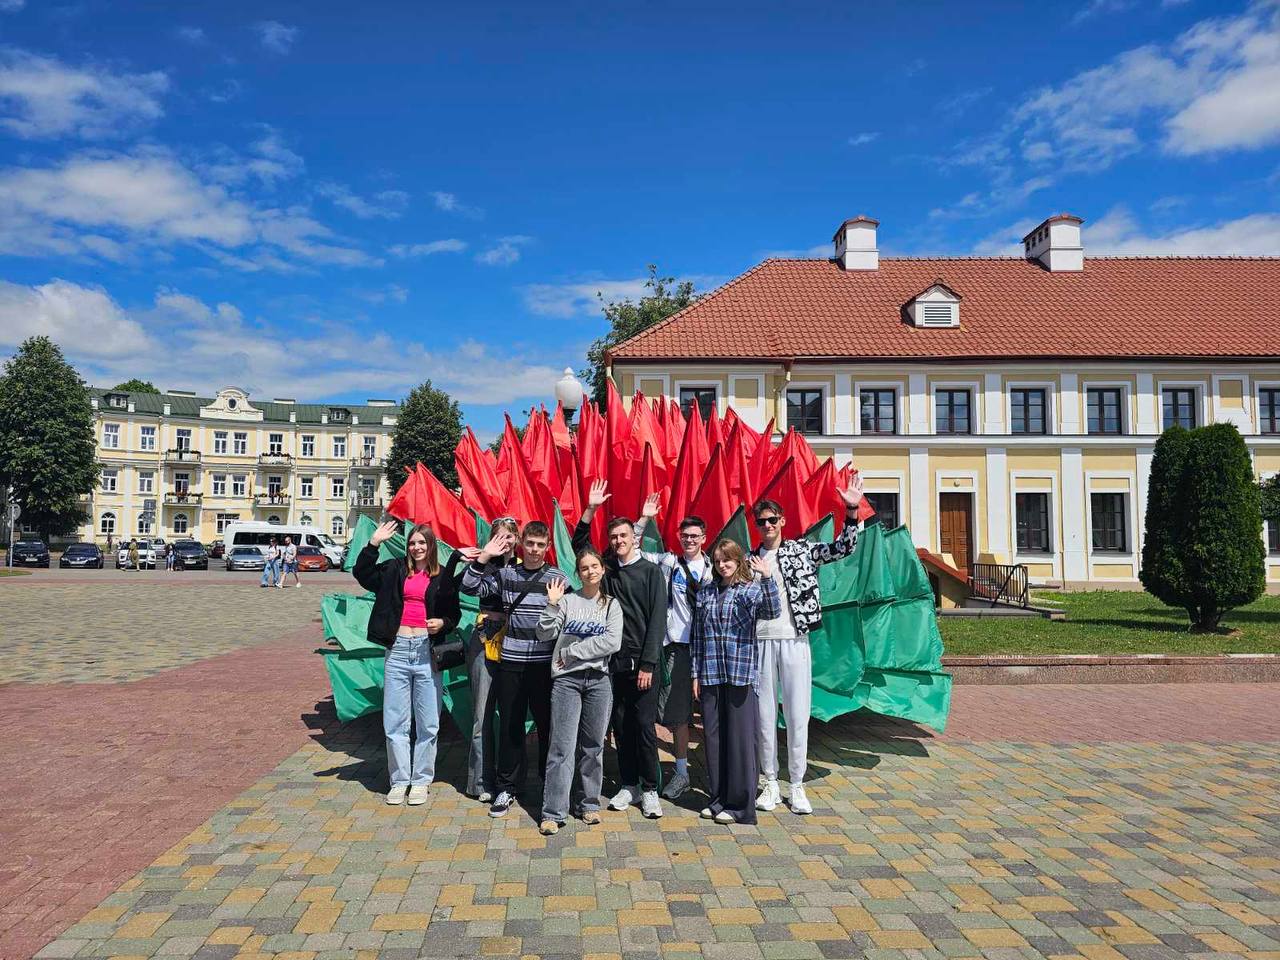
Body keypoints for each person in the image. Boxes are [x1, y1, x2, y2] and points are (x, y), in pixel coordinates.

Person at [751, 476, 865, 816]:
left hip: (795, 639)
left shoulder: (802, 549)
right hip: (760, 643)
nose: (768, 525)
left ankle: (797, 784)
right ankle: (770, 781)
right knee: (764, 716)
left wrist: (852, 509)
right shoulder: (748, 559)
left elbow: (844, 548)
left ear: (782, 521)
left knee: (799, 713)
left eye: (773, 520)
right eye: (762, 521)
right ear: (756, 526)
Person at [573, 480, 668, 819]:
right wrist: (591, 510)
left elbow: (658, 620)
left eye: (624, 536)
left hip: (644, 664)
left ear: (634, 538)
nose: (618, 541)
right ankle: (629, 784)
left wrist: (648, 663)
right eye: (614, 537)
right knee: (621, 724)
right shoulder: (608, 571)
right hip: (613, 663)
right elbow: (580, 547)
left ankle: (651, 787)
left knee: (644, 726)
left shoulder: (651, 572)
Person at [461, 521, 569, 818]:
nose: (534, 550)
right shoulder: (506, 575)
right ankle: (506, 787)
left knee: (548, 727)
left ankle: (550, 785)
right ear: (522, 544)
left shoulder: (558, 578)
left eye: (540, 545)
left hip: (544, 668)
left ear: (548, 547)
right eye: (530, 544)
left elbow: (571, 619)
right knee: (511, 725)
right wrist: (484, 556)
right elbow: (469, 587)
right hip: (512, 662)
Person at [353, 521, 461, 805]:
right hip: (398, 650)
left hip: (427, 652)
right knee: (396, 721)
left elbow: (454, 613)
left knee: (428, 723)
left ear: (431, 546)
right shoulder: (393, 569)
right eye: (413, 543)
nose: (417, 547)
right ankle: (400, 780)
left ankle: (422, 781)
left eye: (422, 543)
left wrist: (443, 623)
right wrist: (373, 543)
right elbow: (362, 574)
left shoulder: (441, 576)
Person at [536, 548, 623, 834]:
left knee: (593, 747)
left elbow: (612, 642)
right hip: (567, 683)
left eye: (594, 566)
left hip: (599, 681)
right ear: (578, 573)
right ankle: (553, 811)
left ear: (602, 569)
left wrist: (573, 651)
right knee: (561, 747)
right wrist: (551, 605)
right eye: (584, 568)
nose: (590, 571)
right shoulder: (567, 602)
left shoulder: (611, 606)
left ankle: (588, 804)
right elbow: (545, 634)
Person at [693, 539, 779, 825]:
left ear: (738, 560)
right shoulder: (706, 592)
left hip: (740, 675)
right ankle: (718, 799)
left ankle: (741, 806)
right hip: (711, 674)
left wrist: (767, 578)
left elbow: (772, 611)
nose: (722, 565)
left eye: (727, 559)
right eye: (717, 560)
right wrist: (695, 673)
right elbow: (698, 637)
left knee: (740, 741)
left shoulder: (750, 590)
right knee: (714, 740)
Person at [634, 494, 712, 801]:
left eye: (695, 536)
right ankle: (648, 774)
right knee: (648, 713)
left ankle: (681, 774)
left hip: (690, 650)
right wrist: (644, 518)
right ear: (679, 537)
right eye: (685, 535)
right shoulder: (668, 562)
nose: (689, 540)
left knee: (679, 716)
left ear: (704, 538)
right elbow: (634, 550)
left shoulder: (711, 569)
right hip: (660, 646)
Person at [455, 516, 521, 803]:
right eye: (499, 536)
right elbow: (467, 588)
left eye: (509, 536)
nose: (504, 541)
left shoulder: (524, 566)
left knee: (512, 715)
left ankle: (511, 781)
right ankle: (481, 781)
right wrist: (484, 557)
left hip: (517, 643)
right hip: (485, 640)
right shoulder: (485, 567)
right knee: (482, 714)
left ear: (516, 539)